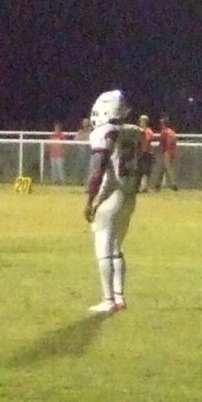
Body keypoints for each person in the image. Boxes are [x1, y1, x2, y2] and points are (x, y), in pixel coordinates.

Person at [83, 89, 139, 314]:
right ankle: (119, 297)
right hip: (129, 195)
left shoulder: (103, 133)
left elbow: (99, 169)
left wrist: (90, 199)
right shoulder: (134, 132)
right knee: (116, 248)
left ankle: (108, 300)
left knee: (103, 247)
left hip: (113, 196)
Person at [154, 115, 178, 191]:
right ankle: (157, 184)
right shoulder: (172, 132)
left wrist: (158, 150)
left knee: (167, 168)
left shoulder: (164, 132)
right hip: (172, 152)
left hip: (166, 152)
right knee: (163, 168)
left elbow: (161, 143)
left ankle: (173, 184)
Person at [136, 115, 155, 193]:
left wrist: (142, 152)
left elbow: (145, 142)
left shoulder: (147, 131)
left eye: (142, 121)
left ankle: (143, 187)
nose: (140, 122)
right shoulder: (140, 131)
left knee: (145, 171)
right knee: (140, 171)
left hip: (145, 153)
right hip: (141, 153)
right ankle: (140, 187)